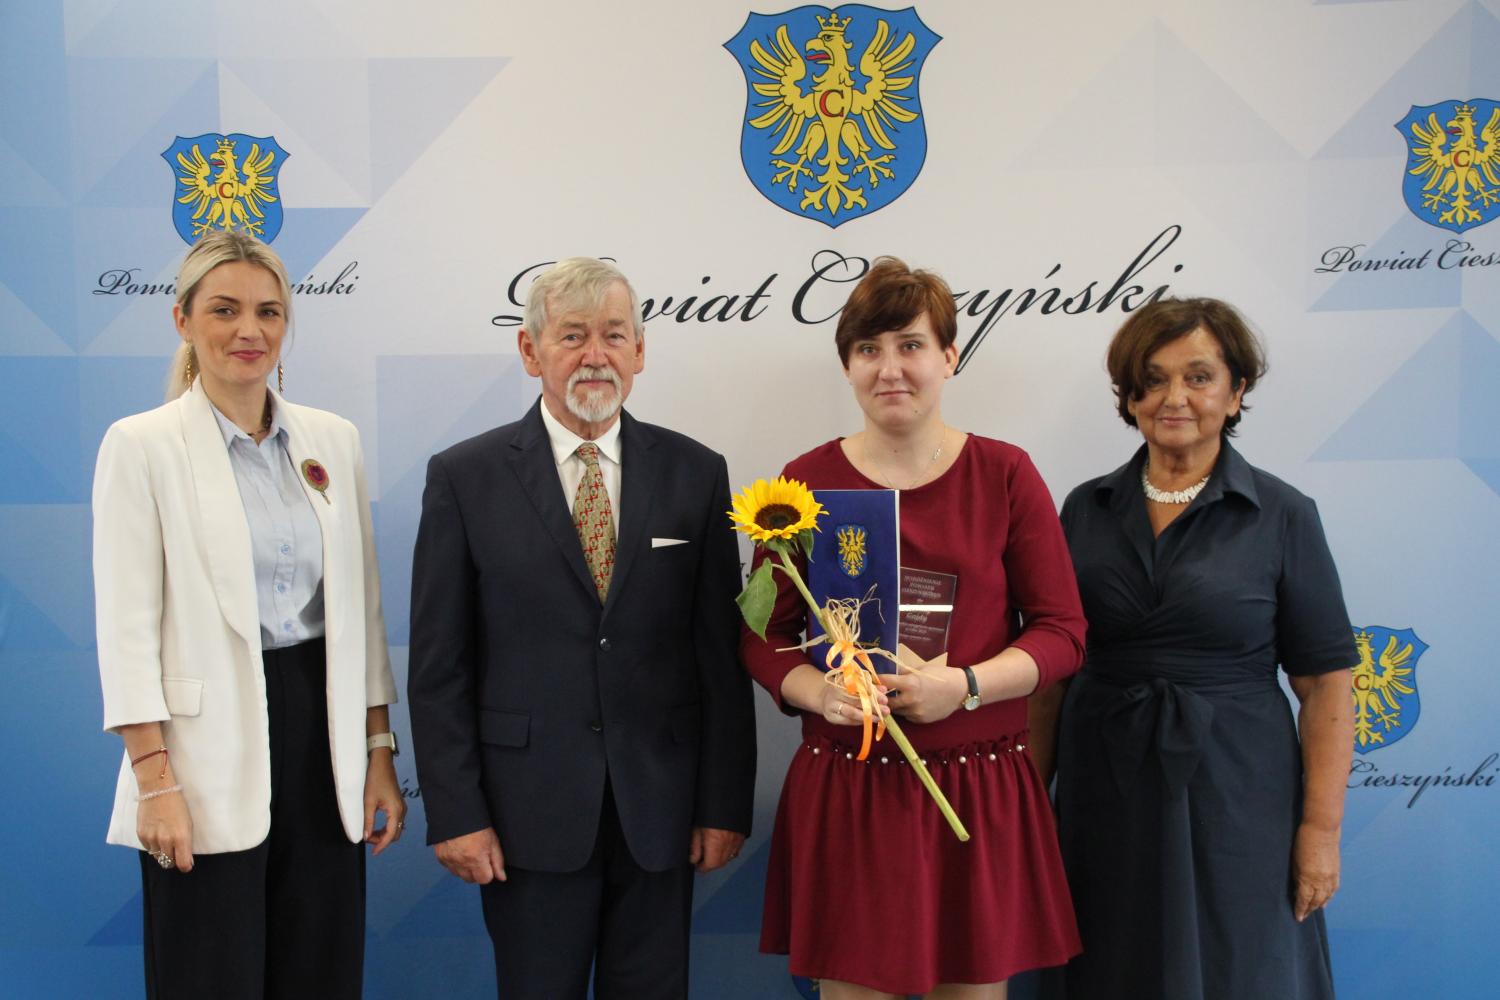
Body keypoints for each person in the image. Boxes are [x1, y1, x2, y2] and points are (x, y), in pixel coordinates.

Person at [407, 256, 757, 1000]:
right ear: (530, 350)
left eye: (614, 335)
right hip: (524, 818)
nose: (595, 354)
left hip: (660, 815)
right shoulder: (464, 477)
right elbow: (440, 667)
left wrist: (723, 804)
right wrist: (456, 813)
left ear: (640, 351)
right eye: (572, 335)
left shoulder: (696, 473)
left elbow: (720, 660)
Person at [740, 257, 1087, 1000]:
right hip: (851, 786)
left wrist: (965, 686)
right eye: (868, 349)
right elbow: (763, 634)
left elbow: (1062, 632)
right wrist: (819, 695)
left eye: (911, 345)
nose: (890, 368)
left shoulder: (1005, 474)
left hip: (976, 784)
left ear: (949, 357)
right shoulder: (800, 485)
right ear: (847, 366)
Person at [91, 230, 405, 999]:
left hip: (323, 738)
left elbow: (360, 612)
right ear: (183, 320)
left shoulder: (333, 440)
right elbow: (126, 630)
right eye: (224, 310)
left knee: (320, 973)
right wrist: (154, 783)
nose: (249, 330)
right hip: (198, 756)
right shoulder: (141, 446)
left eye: (268, 311)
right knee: (210, 976)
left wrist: (378, 750)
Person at [1034, 297, 1357, 999]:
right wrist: (1028, 808)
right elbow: (1051, 675)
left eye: (1199, 377)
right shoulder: (1083, 508)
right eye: (1152, 379)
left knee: (1241, 964)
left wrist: (1321, 830)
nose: (1173, 397)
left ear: (1236, 393)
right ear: (1130, 397)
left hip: (1238, 791)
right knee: (1109, 959)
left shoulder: (1284, 514)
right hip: (1104, 787)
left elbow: (1326, 684)